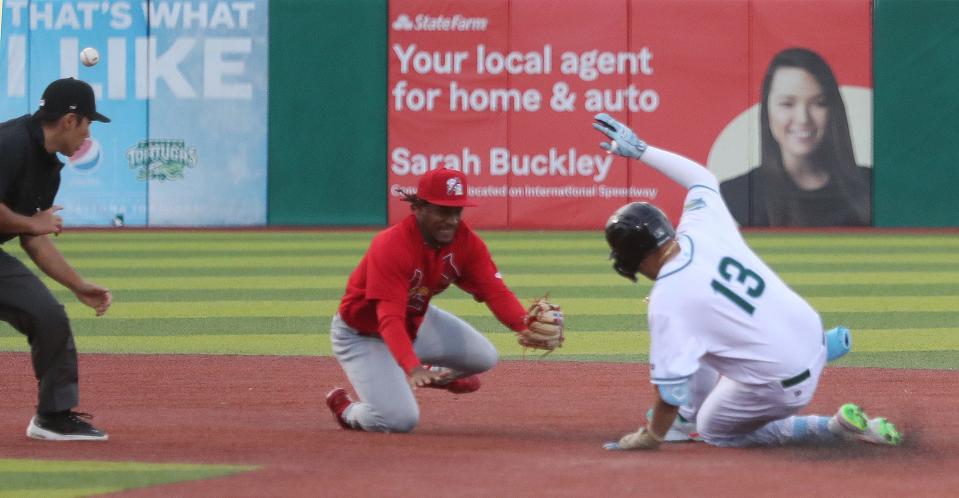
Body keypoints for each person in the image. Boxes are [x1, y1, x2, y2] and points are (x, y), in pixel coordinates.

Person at [591, 113, 900, 450]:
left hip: (787, 380)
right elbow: (701, 178)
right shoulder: (701, 226)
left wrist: (650, 437)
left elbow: (669, 392)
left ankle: (833, 427)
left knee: (714, 429)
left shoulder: (669, 300)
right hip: (809, 330)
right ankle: (821, 348)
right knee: (699, 337)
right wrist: (643, 151)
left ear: (633, 257)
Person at [325, 168, 545, 433]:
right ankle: (346, 410)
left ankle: (435, 375)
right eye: (442, 210)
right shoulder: (391, 245)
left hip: (414, 322)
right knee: (399, 421)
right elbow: (388, 318)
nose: (451, 220)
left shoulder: (466, 242)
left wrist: (525, 325)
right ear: (418, 208)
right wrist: (413, 368)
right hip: (364, 335)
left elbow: (495, 292)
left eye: (456, 211)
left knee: (485, 357)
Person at [0, 77, 113, 441]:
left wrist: (78, 285)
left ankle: (52, 416)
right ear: (69, 120)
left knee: (48, 315)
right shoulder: (10, 144)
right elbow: (33, 224)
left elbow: (35, 238)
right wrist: (32, 222)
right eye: (87, 123)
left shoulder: (48, 164)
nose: (88, 134)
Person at [719, 48, 871, 227]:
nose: (803, 118)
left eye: (819, 103)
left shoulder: (871, 186)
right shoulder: (735, 195)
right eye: (787, 104)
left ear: (834, 110)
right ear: (767, 112)